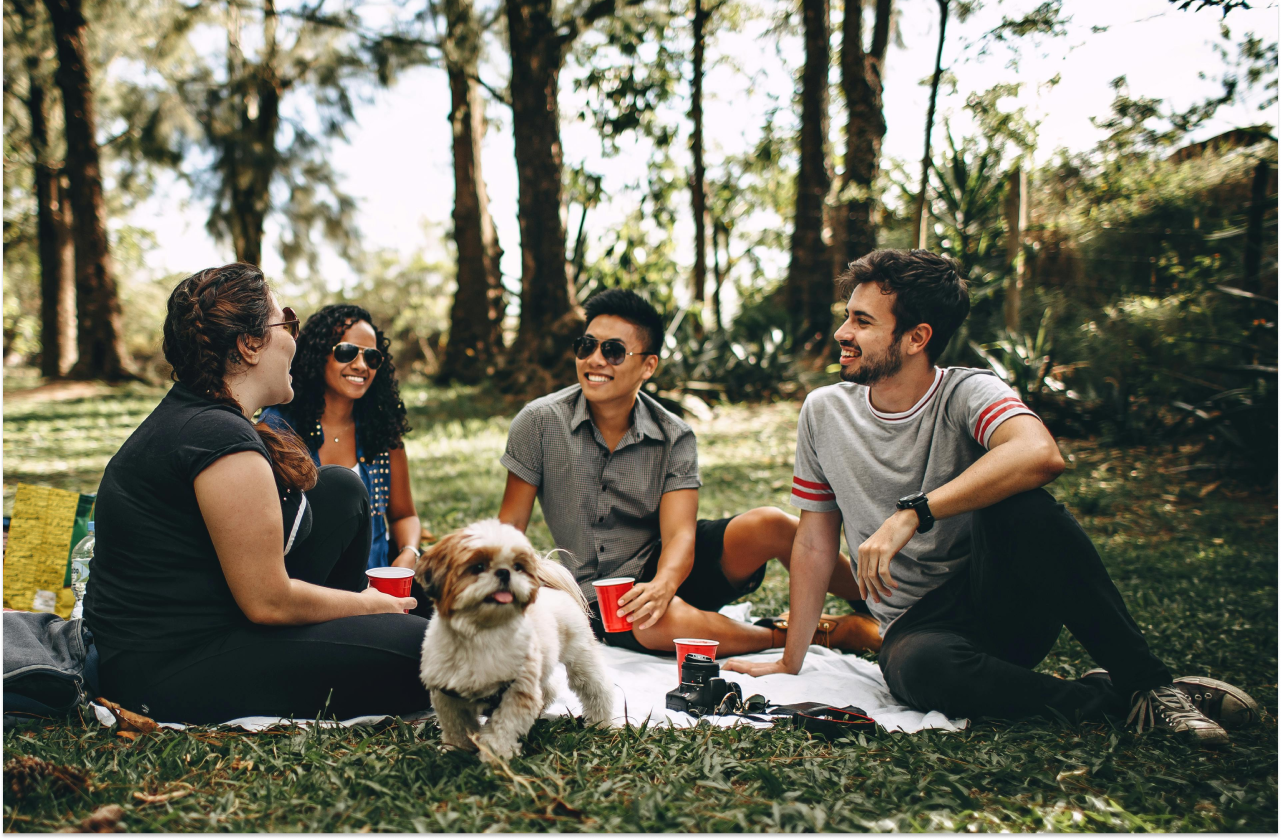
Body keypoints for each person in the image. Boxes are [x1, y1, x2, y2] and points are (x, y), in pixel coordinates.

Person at [724, 249, 1258, 746]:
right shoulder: (824, 411)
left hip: (1001, 598)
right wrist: (791, 661)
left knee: (1023, 504)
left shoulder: (967, 391)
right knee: (919, 670)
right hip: (918, 629)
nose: (843, 331)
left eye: (862, 322)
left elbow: (1040, 453)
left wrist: (915, 511)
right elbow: (815, 542)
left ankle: (1151, 683)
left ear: (917, 337)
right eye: (848, 315)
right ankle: (1117, 699)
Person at [85, 263, 431, 724]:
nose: (294, 338)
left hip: (218, 618)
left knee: (341, 489)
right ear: (249, 345)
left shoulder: (205, 416)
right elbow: (268, 602)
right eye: (285, 321)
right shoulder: (217, 438)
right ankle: (370, 633)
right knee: (429, 651)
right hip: (166, 668)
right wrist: (372, 603)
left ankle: (361, 634)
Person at [497, 288, 880, 656]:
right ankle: (809, 633)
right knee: (654, 623)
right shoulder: (539, 423)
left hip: (671, 565)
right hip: (600, 595)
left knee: (772, 524)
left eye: (613, 351)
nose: (595, 360)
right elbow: (510, 525)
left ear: (648, 365)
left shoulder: (674, 435)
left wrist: (664, 584)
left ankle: (884, 608)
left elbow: (680, 534)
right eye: (587, 346)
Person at [261, 304, 423, 570]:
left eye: (371, 357)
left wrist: (408, 554)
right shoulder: (278, 427)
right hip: (308, 589)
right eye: (346, 352)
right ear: (318, 355)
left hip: (377, 587)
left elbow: (404, 515)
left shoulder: (381, 428)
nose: (360, 365)